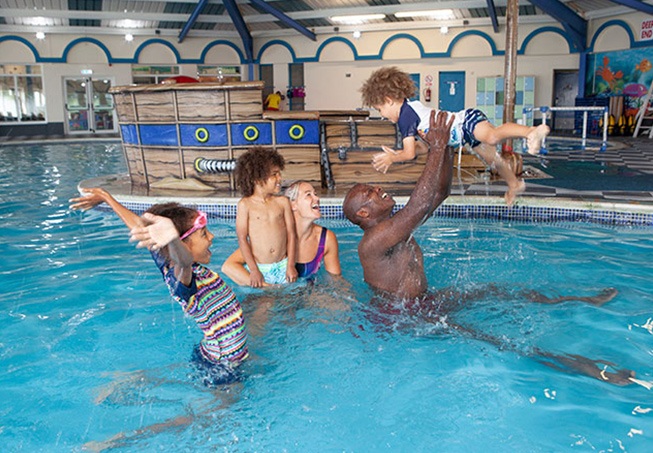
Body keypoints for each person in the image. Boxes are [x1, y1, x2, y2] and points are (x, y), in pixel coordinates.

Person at [343, 110, 636, 386]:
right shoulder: (373, 242)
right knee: (496, 340)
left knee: (495, 290)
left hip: (422, 303)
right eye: (369, 193)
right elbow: (419, 205)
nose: (377, 189)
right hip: (405, 317)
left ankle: (580, 300)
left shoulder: (395, 226)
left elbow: (439, 193)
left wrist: (446, 147)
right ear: (364, 214)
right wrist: (436, 146)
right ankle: (590, 369)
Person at [69, 188, 249, 387]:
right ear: (182, 245)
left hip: (218, 352)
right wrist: (172, 238)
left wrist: (107, 198)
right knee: (209, 417)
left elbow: (140, 228)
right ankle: (136, 381)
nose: (212, 237)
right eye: (204, 233)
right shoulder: (183, 278)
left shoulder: (165, 259)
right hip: (221, 364)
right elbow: (184, 260)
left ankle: (139, 379)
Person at [360, 66, 550, 205]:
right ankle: (514, 184)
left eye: (380, 109)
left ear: (389, 100)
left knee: (492, 136)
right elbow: (423, 147)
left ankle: (531, 132)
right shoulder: (411, 109)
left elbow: (409, 154)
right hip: (464, 134)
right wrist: (398, 152)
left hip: (465, 121)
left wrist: (394, 157)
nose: (382, 114)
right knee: (494, 159)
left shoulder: (405, 117)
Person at [223, 180, 341, 286]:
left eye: (315, 194)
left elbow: (336, 281)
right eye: (308, 195)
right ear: (292, 205)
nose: (317, 199)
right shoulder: (275, 235)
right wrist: (267, 288)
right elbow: (229, 267)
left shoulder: (326, 238)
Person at [233, 146, 298, 287]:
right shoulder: (245, 205)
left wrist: (291, 265)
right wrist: (254, 270)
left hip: (283, 265)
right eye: (274, 174)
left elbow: (291, 235)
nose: (279, 178)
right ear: (257, 178)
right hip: (261, 268)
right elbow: (242, 239)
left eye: (279, 173)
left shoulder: (282, 202)